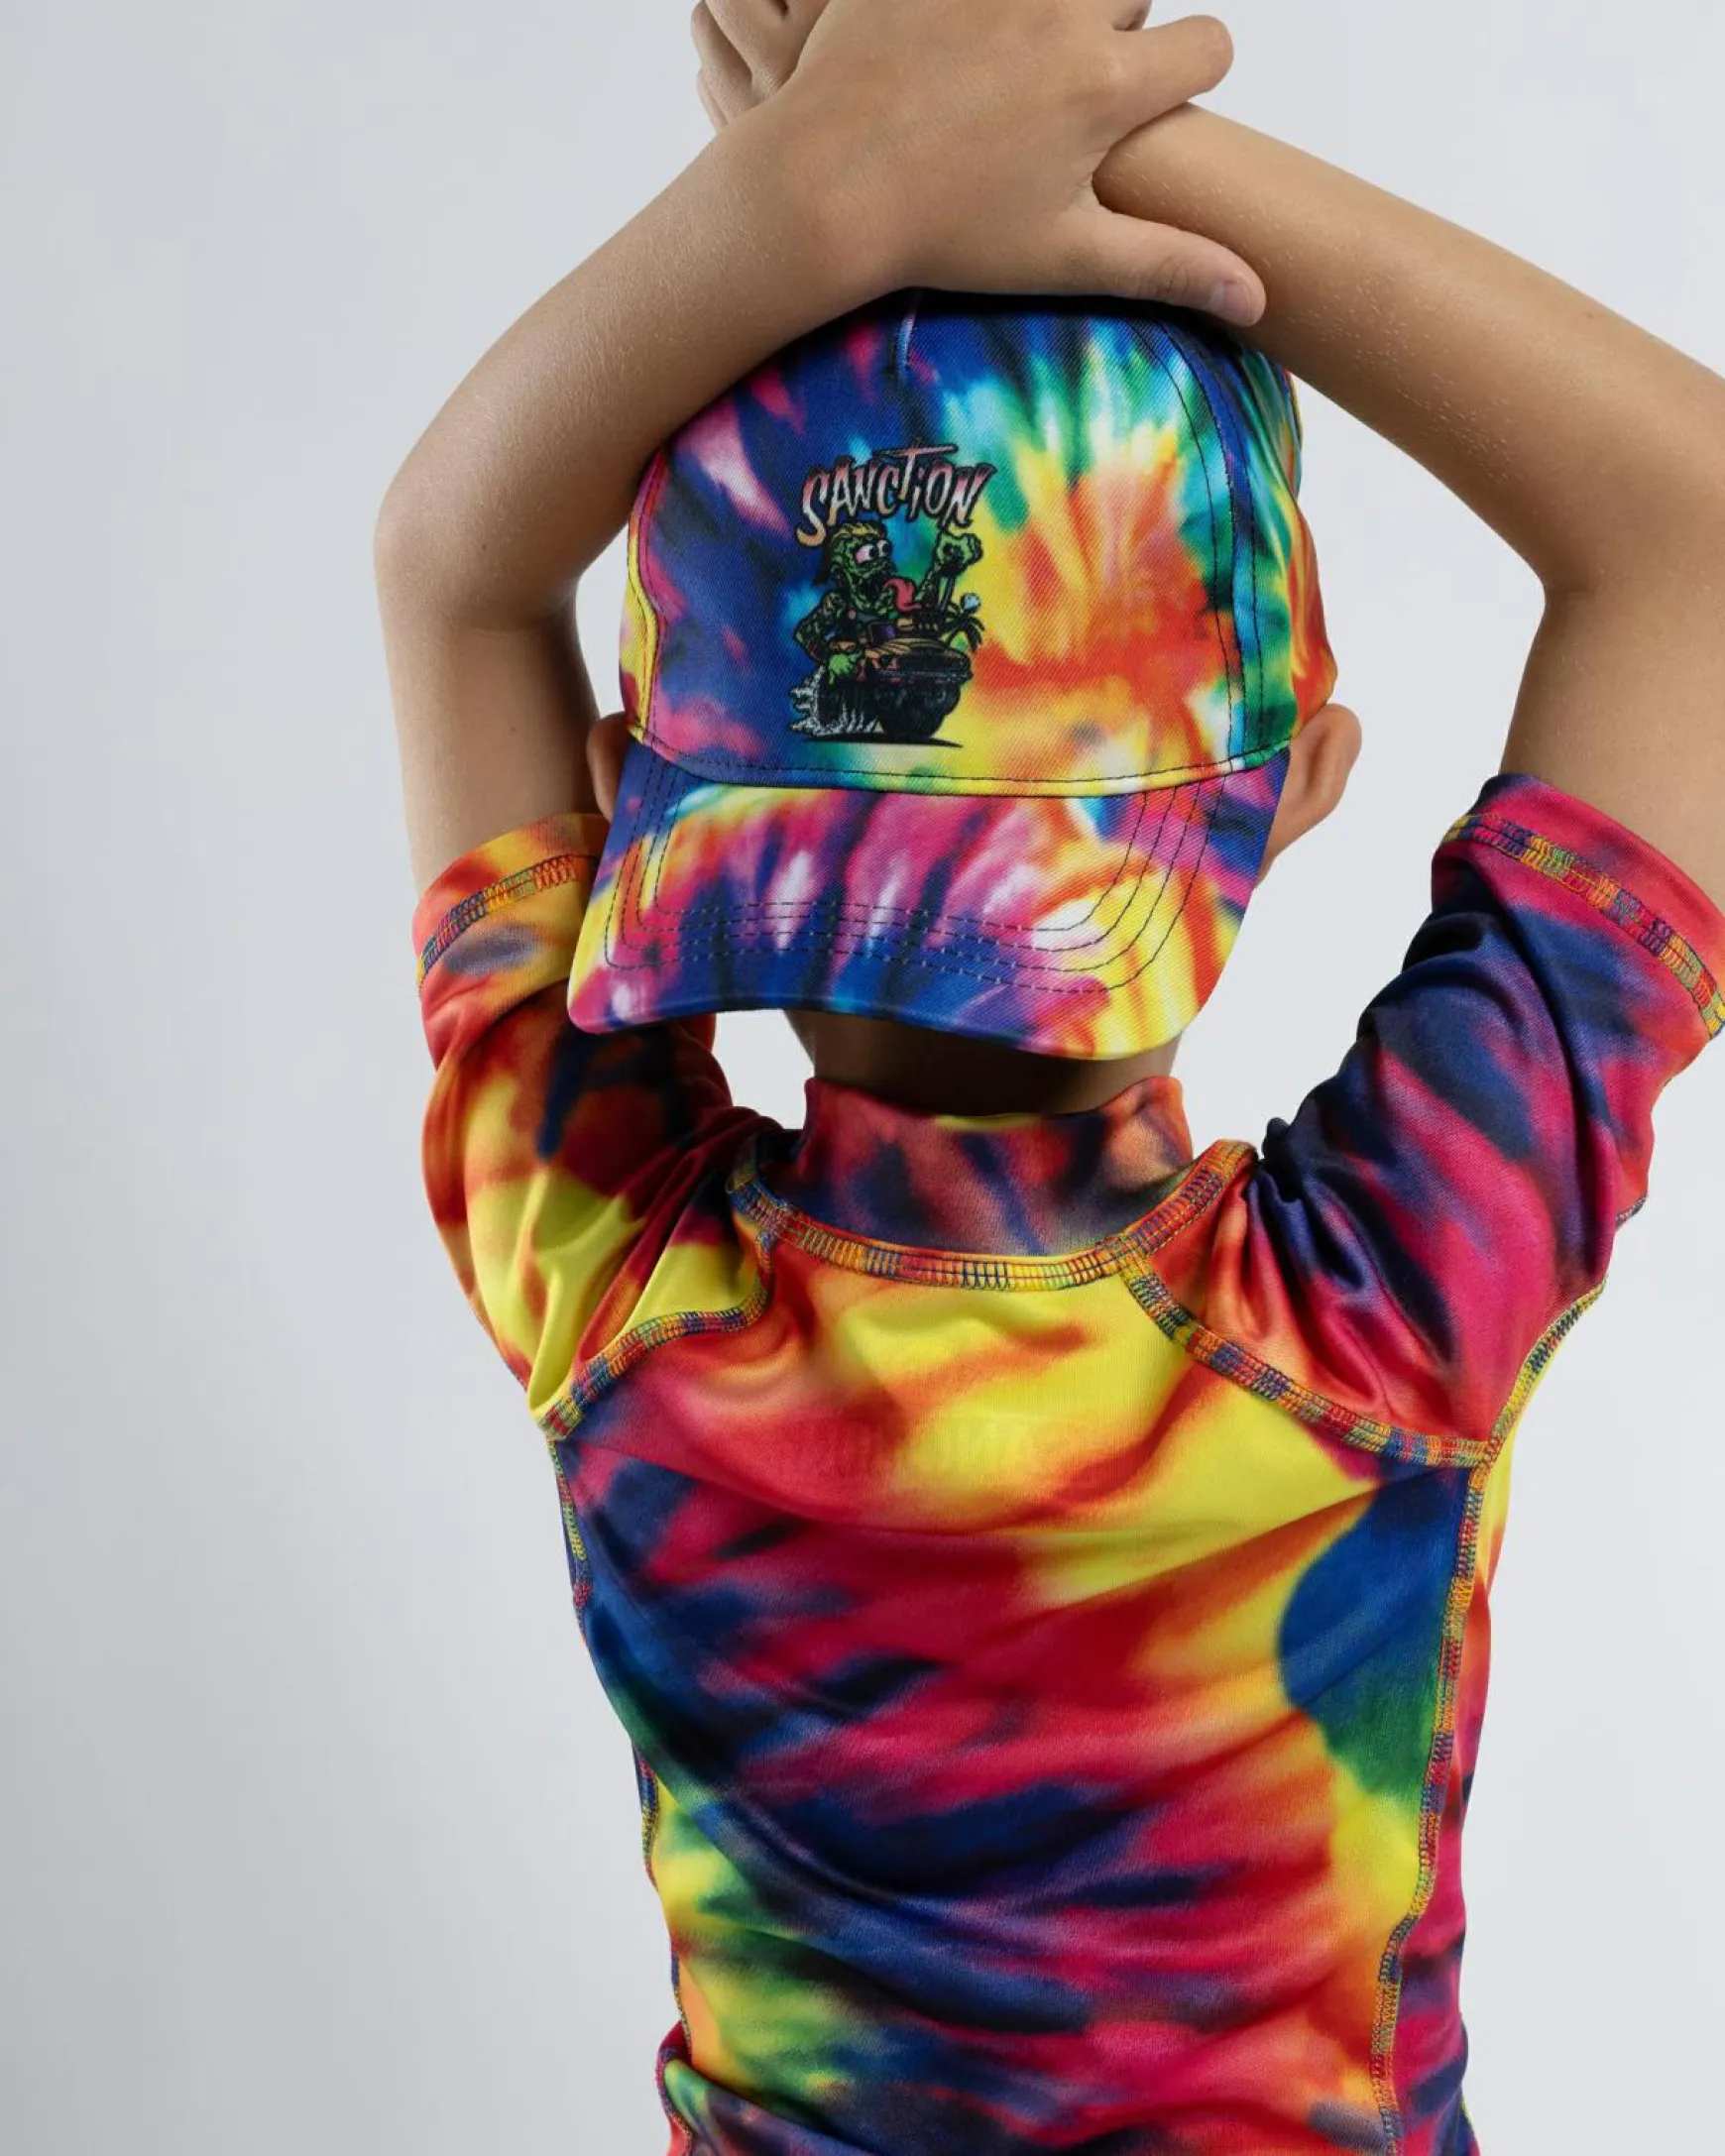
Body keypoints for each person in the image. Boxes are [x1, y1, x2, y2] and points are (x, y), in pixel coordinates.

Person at [376, 3, 1725, 2149]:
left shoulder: (612, 1285)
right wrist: (1102, 149)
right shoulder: (1384, 1315)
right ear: (1296, 781)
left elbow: (447, 573)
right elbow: (1698, 536)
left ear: (639, 798)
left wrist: (822, 189)